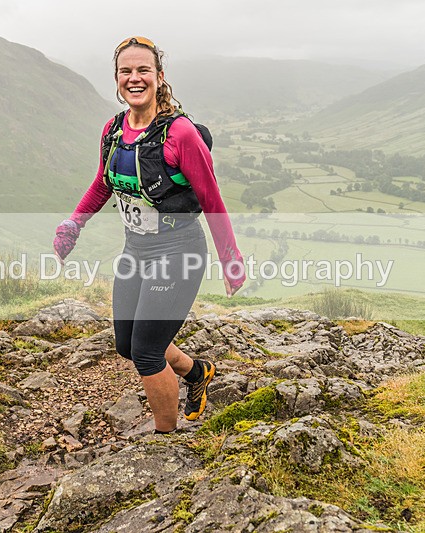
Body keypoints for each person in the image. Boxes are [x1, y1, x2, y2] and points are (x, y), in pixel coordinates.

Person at [53, 36, 246, 433]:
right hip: (136, 248)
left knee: (145, 352)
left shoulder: (181, 135)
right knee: (125, 344)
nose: (135, 78)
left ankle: (164, 441)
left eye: (144, 70)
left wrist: (230, 258)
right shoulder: (112, 130)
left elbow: (211, 198)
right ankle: (197, 373)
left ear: (159, 77)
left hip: (178, 250)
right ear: (117, 78)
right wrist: (73, 224)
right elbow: (102, 183)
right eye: (127, 71)